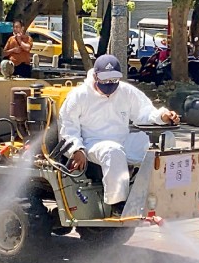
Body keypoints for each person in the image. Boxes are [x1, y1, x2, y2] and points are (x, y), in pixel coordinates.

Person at [59, 55, 180, 217]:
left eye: (114, 79)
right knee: (113, 151)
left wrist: (164, 116)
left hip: (123, 139)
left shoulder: (125, 91)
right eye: (105, 79)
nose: (110, 84)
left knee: (166, 138)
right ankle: (118, 203)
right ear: (95, 76)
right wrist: (76, 150)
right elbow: (68, 127)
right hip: (93, 143)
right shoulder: (79, 96)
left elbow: (145, 113)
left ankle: (160, 191)